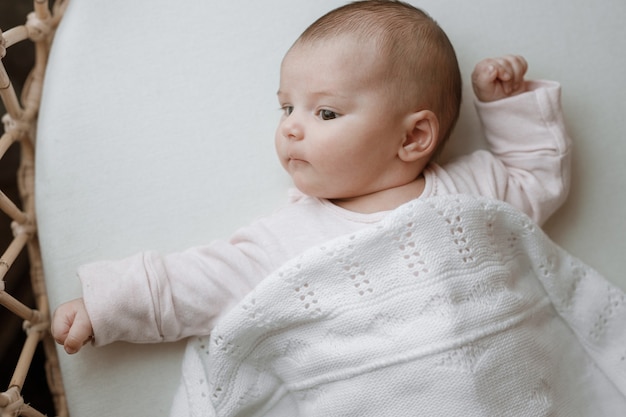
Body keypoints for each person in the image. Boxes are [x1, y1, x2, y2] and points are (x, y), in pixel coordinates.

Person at [52, 0, 570, 358]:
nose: (291, 127)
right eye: (285, 108)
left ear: (413, 137)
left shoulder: (473, 191)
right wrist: (108, 306)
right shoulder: (289, 238)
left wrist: (507, 106)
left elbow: (536, 177)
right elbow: (201, 282)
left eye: (325, 113)